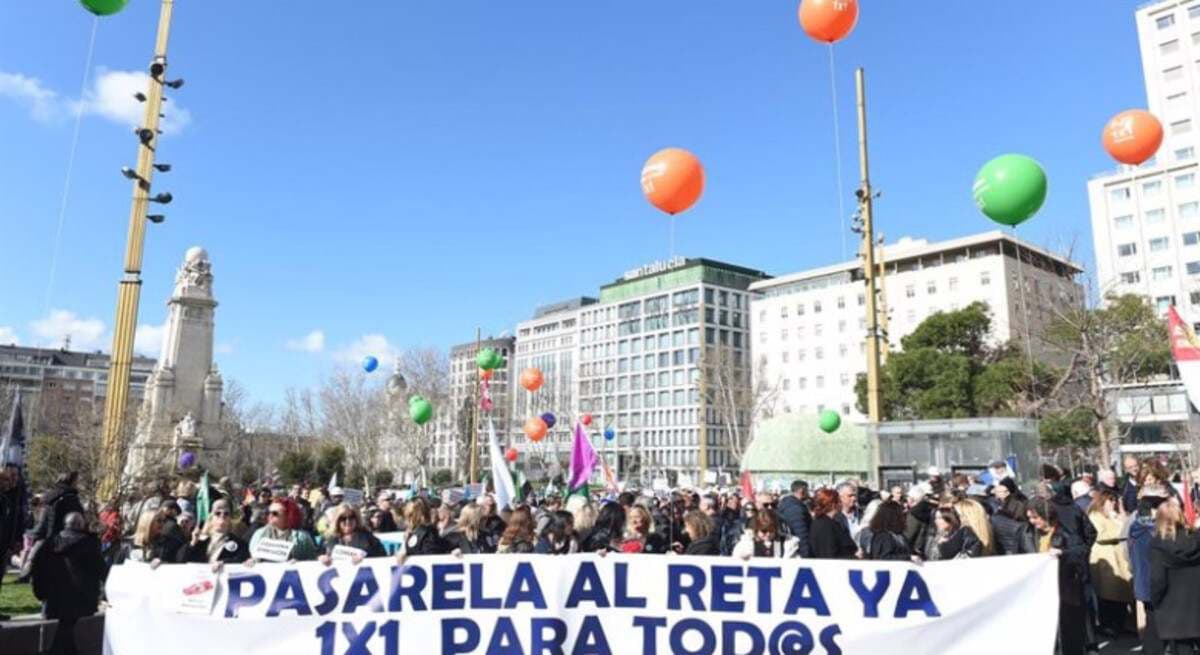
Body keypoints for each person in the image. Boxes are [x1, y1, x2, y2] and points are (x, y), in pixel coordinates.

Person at [1017, 498, 1089, 655]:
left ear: (1046, 515)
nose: (1032, 521)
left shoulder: (1065, 532)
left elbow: (1081, 551)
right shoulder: (1027, 533)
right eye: (1029, 518)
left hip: (1065, 589)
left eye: (1035, 517)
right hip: (1038, 590)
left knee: (1068, 632)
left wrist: (1063, 553)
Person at [30, 512, 102, 655]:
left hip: (55, 593)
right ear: (81, 525)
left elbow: (37, 566)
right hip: (80, 594)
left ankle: (68, 649)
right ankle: (58, 650)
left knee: (67, 622)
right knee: (68, 622)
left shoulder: (51, 542)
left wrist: (40, 589)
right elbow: (99, 567)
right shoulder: (88, 543)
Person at [1149, 497, 1200, 654]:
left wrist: (1155, 600)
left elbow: (1158, 580)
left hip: (1173, 607)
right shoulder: (1196, 540)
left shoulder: (1158, 546)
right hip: (1196, 601)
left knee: (1182, 648)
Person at [1088, 490, 1133, 637]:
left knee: (1123, 590)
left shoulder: (1116, 515)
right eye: (1110, 500)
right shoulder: (1095, 516)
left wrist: (1120, 516)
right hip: (1106, 553)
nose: (1113, 503)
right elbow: (1103, 534)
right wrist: (1117, 521)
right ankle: (1108, 624)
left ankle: (1121, 623)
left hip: (1118, 553)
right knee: (1109, 590)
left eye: (1114, 500)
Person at [176, 499, 249, 567]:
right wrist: (193, 543)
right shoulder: (199, 540)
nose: (222, 516)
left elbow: (241, 560)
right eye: (218, 513)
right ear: (211, 517)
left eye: (226, 514)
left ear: (230, 518)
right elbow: (180, 560)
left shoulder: (238, 543)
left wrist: (224, 563)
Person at [248, 499, 319, 563]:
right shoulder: (259, 534)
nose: (270, 515)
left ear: (288, 515)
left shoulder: (302, 537)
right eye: (268, 512)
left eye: (275, 513)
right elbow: (254, 556)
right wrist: (252, 562)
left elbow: (312, 561)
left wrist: (299, 563)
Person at [320, 505, 385, 565]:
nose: (347, 521)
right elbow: (317, 555)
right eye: (343, 518)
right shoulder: (327, 539)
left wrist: (365, 558)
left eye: (351, 517)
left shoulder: (368, 537)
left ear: (357, 519)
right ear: (337, 520)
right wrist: (322, 558)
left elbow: (383, 556)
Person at [32, 472, 84, 543]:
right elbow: (79, 523)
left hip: (49, 541)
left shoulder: (50, 498)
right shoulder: (71, 499)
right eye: (76, 482)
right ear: (71, 482)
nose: (77, 485)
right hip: (66, 542)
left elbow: (42, 525)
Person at [809, 488, 857, 559]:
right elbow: (829, 555)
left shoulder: (827, 522)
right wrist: (855, 556)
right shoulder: (826, 525)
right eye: (839, 501)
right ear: (833, 504)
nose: (841, 504)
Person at [733, 510, 800, 559]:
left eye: (771, 531)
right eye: (764, 531)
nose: (768, 534)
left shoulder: (787, 543)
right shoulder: (746, 545)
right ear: (756, 529)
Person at [776, 480, 813, 557]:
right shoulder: (796, 509)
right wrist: (806, 555)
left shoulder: (788, 504)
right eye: (807, 490)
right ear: (802, 491)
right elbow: (801, 533)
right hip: (797, 550)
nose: (808, 493)